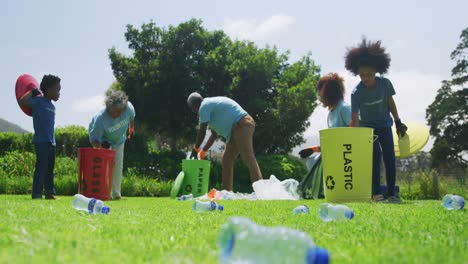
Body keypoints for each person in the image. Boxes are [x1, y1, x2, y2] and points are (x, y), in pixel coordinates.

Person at [345, 38, 407, 203]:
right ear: (357, 73)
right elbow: (354, 119)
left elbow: (390, 103)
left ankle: (393, 194)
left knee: (389, 157)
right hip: (368, 130)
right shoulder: (356, 93)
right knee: (375, 157)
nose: (366, 78)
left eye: (370, 74)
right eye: (362, 75)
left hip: (385, 125)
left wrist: (398, 121)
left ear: (377, 70)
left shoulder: (385, 84)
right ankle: (376, 194)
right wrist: (353, 137)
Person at [187, 92, 263, 191]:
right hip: (234, 131)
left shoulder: (204, 106)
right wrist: (203, 151)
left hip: (242, 124)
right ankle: (227, 193)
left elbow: (202, 131)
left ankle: (261, 190)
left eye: (192, 109)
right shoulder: (210, 108)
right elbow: (213, 135)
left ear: (194, 107)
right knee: (226, 160)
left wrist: (196, 149)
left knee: (248, 156)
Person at [297, 73, 350, 199]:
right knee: (310, 162)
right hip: (333, 152)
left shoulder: (344, 108)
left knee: (314, 164)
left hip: (345, 155)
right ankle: (323, 191)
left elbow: (354, 134)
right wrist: (313, 149)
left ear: (328, 91)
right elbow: (332, 141)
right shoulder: (331, 113)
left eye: (320, 91)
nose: (319, 95)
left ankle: (324, 191)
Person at [19, 74, 61, 200]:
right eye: (57, 90)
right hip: (41, 141)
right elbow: (23, 101)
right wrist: (32, 91)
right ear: (48, 90)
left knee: (50, 169)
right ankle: (37, 193)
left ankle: (49, 192)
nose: (59, 93)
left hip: (51, 142)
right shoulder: (38, 101)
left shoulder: (52, 106)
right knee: (41, 168)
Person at [88, 90, 135, 200]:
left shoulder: (129, 109)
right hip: (103, 140)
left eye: (118, 112)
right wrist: (102, 155)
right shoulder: (100, 119)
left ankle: (116, 194)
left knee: (118, 165)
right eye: (112, 111)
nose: (114, 114)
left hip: (119, 140)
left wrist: (131, 129)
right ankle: (102, 192)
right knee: (104, 166)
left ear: (123, 109)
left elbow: (131, 120)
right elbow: (95, 140)